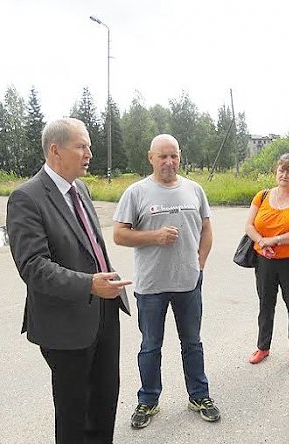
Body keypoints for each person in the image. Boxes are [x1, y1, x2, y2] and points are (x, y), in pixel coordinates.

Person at [6, 118, 131, 444]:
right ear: (55, 150)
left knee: (105, 400)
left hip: (104, 310)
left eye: (88, 145)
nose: (89, 153)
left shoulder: (81, 189)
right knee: (74, 410)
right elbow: (33, 266)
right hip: (65, 322)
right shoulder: (27, 197)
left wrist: (103, 288)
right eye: (82, 146)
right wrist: (89, 284)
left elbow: (89, 246)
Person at [112, 134, 220, 429]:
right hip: (150, 286)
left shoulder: (194, 190)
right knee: (150, 346)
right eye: (163, 156)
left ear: (179, 156)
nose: (169, 162)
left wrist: (200, 262)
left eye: (173, 156)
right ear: (151, 158)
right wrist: (154, 237)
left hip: (188, 282)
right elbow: (119, 234)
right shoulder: (136, 192)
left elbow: (206, 228)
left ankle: (199, 396)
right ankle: (148, 400)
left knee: (192, 343)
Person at [244, 153, 289, 369]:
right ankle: (263, 346)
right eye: (281, 170)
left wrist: (275, 240)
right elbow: (249, 226)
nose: (284, 175)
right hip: (264, 260)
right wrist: (261, 242)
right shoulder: (263, 196)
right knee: (265, 303)